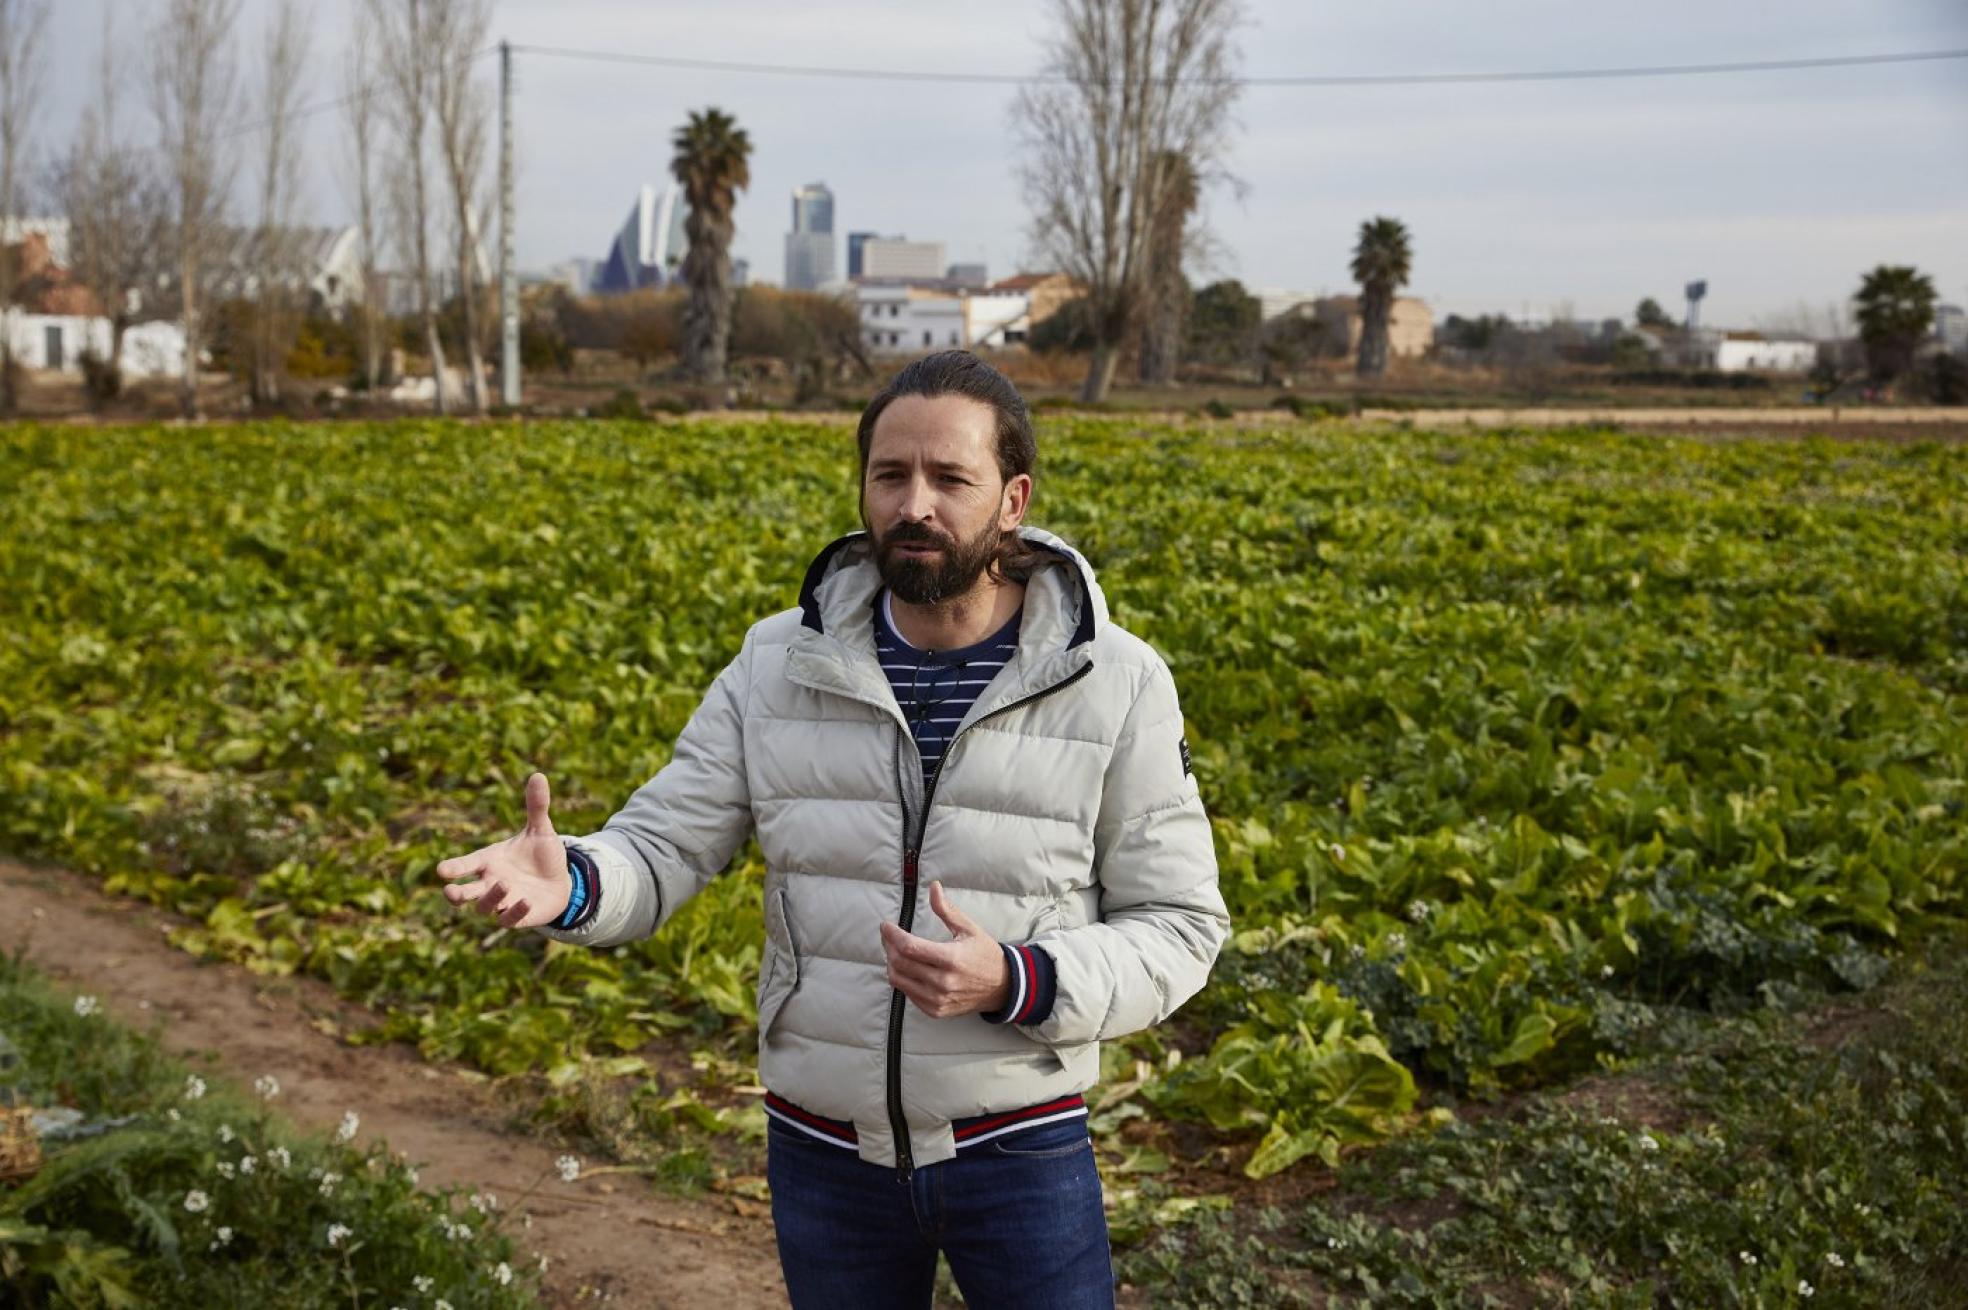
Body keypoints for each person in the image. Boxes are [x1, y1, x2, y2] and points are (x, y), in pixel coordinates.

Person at [436, 350, 1228, 1308]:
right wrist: (578, 883)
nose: (914, 505)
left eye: (950, 479)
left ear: (1012, 499)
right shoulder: (779, 663)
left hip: (1019, 1144)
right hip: (823, 1148)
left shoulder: (1115, 681)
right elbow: (668, 843)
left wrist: (1021, 978)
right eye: (890, 476)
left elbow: (1181, 924)